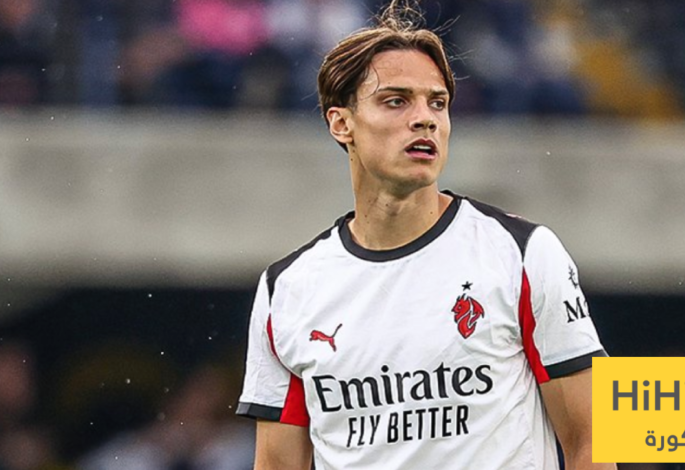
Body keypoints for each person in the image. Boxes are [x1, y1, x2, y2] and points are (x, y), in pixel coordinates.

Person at [236, 1, 615, 469]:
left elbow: (593, 442)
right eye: (396, 101)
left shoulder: (522, 253)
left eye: (437, 103)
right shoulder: (286, 289)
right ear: (341, 123)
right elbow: (277, 464)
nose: (425, 118)